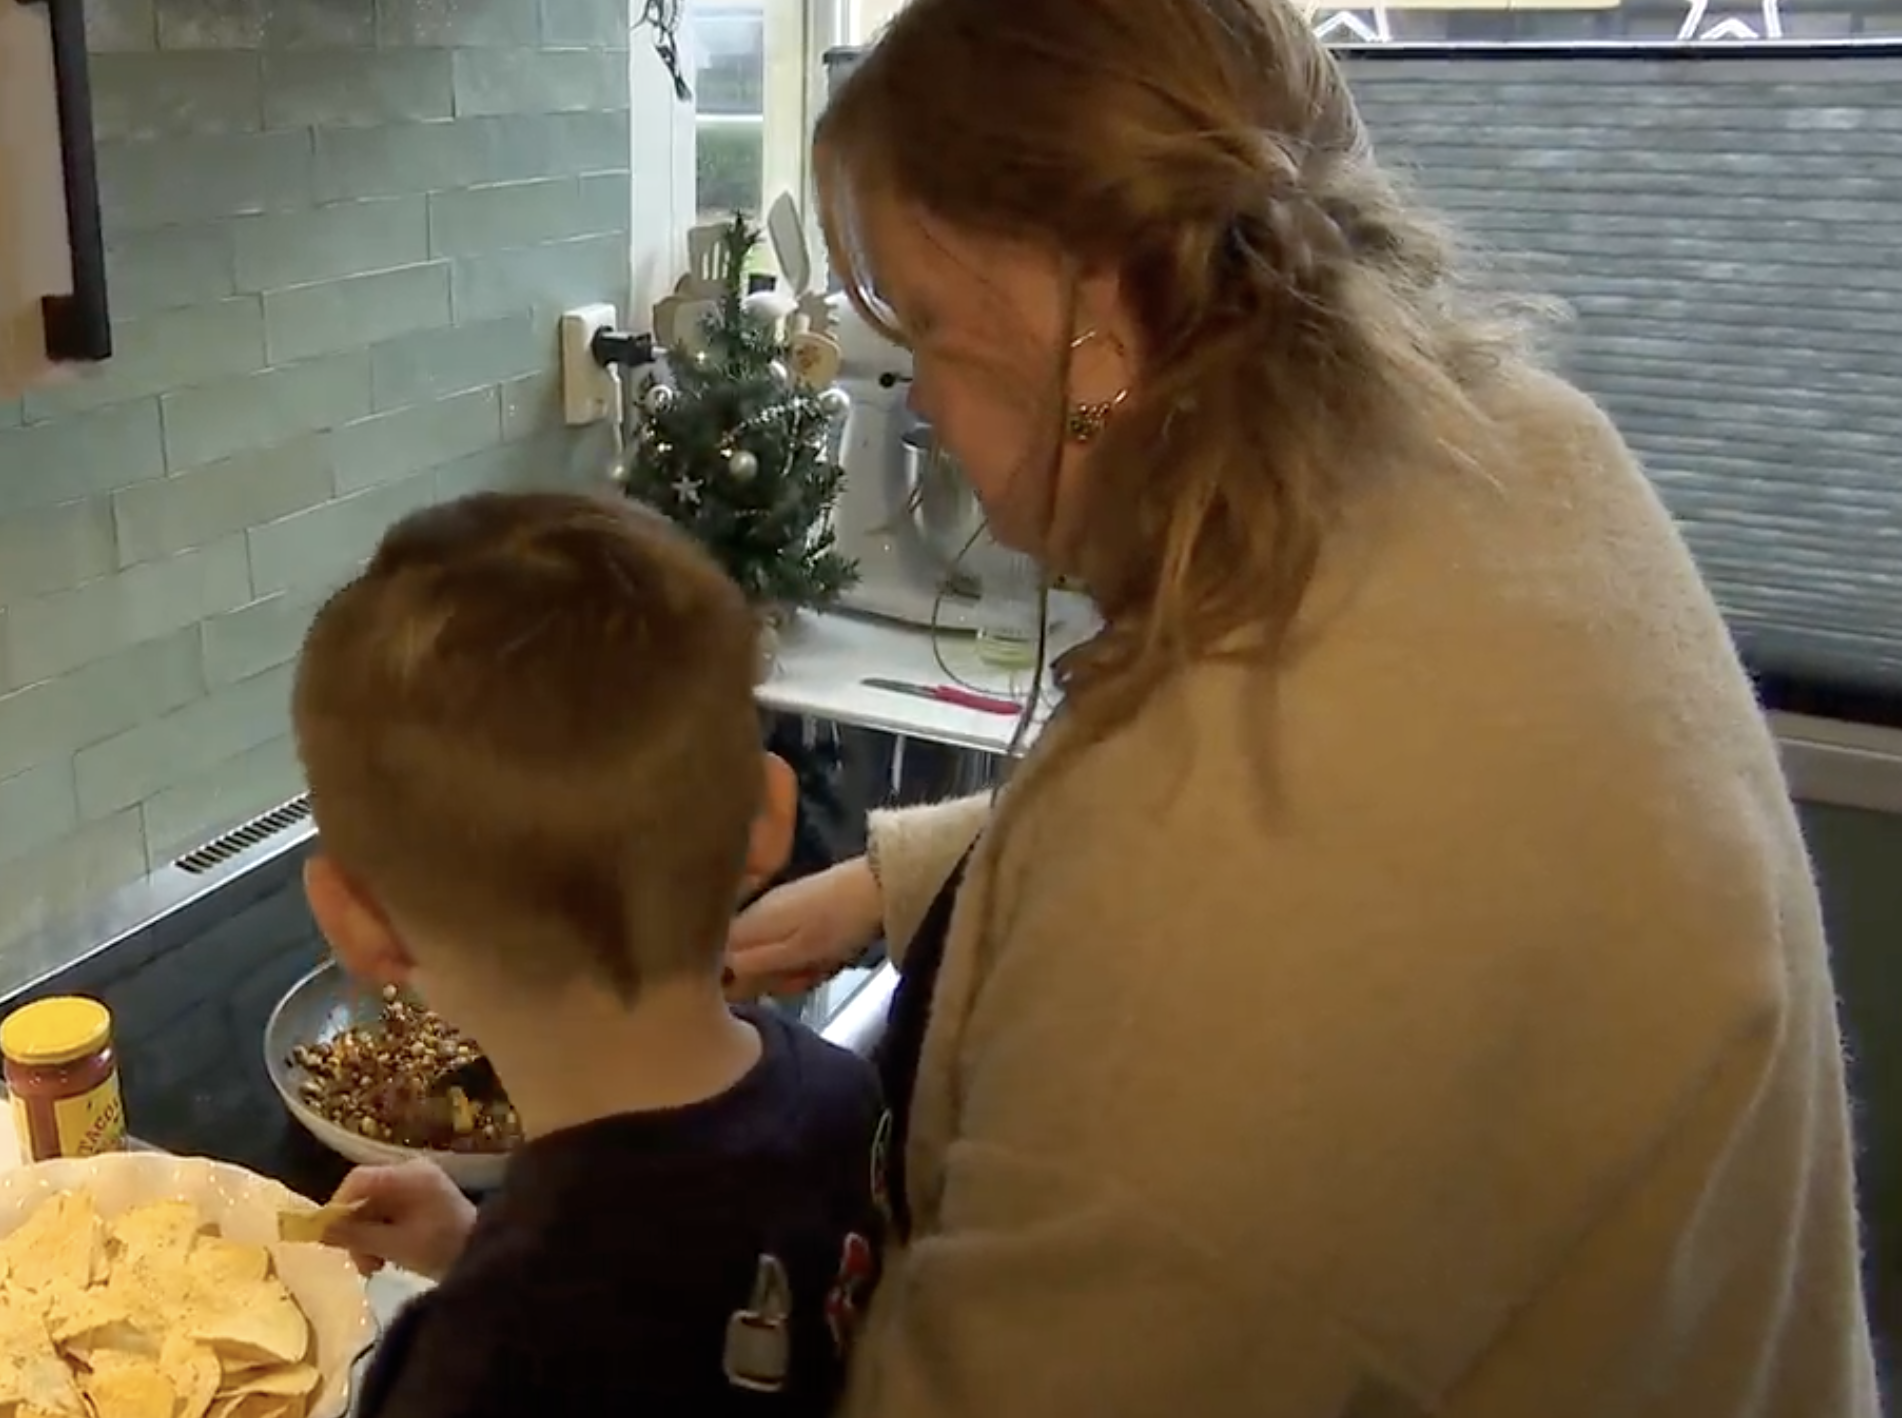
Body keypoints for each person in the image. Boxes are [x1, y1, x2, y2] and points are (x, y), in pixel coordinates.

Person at [724, 0, 1883, 1414]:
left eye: (936, 338)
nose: (932, 415)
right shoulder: (1496, 449)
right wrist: (903, 880)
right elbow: (1419, 786)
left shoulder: (1228, 888)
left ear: (1095, 341)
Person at [292, 491, 887, 1418]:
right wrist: (484, 1250)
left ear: (358, 927)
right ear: (771, 820)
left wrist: (504, 1277)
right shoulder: (846, 1104)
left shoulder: (468, 1369)